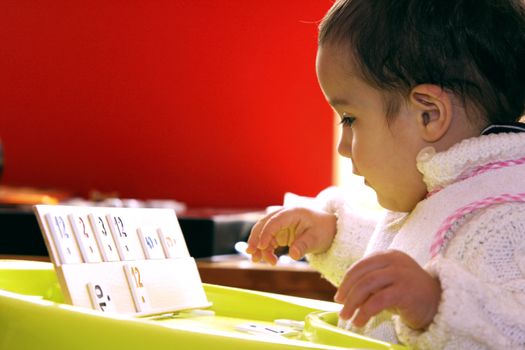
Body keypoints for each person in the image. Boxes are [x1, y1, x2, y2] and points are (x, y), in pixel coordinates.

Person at [246, 0, 525, 348]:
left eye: (349, 119)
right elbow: (410, 265)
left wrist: (434, 304)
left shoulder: (506, 218)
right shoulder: (444, 193)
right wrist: (333, 234)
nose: (343, 146)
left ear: (429, 115)